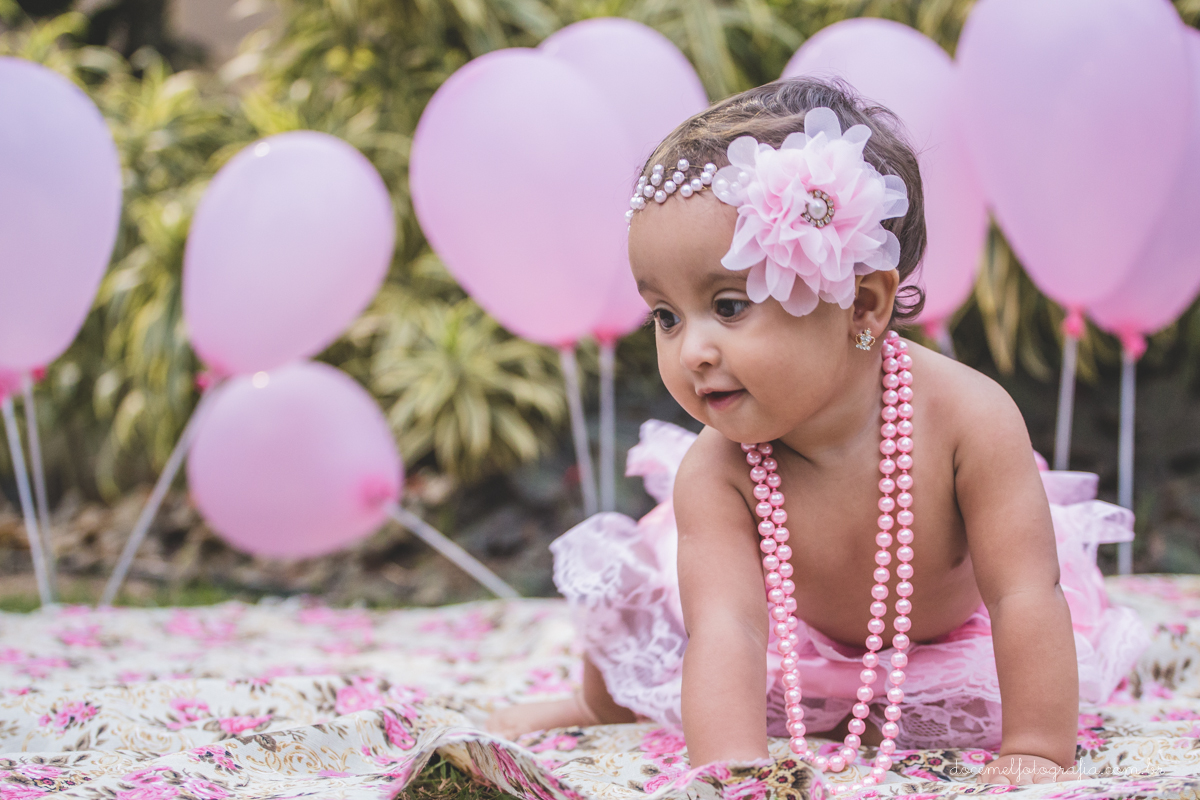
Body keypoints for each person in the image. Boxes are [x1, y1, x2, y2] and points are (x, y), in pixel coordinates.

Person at [487, 78, 1148, 790]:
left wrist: (1037, 748)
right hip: (790, 633)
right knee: (638, 584)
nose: (691, 351)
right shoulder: (720, 470)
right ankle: (596, 700)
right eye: (666, 316)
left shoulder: (969, 420)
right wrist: (732, 774)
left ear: (862, 304)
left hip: (948, 631)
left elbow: (1022, 593)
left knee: (1035, 615)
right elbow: (728, 633)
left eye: (729, 305)